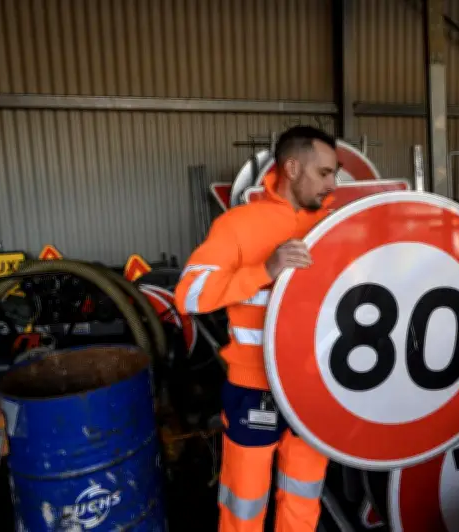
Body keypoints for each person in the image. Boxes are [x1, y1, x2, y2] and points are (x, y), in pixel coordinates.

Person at [174, 125, 338, 532]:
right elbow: (189, 295)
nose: (332, 184)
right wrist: (265, 270)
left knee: (303, 497)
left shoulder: (335, 227)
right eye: (324, 173)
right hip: (254, 389)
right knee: (244, 503)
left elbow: (401, 251)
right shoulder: (238, 225)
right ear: (293, 167)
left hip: (315, 388)